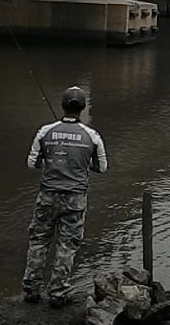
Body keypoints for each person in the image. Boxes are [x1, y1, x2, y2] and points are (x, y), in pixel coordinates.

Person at [22, 86, 108, 308]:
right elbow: (102, 168)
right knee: (67, 245)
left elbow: (32, 164)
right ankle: (58, 294)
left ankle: (31, 290)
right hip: (75, 199)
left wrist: (50, 161)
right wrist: (81, 163)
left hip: (47, 195)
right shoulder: (93, 136)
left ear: (62, 106)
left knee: (39, 240)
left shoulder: (45, 131)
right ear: (83, 108)